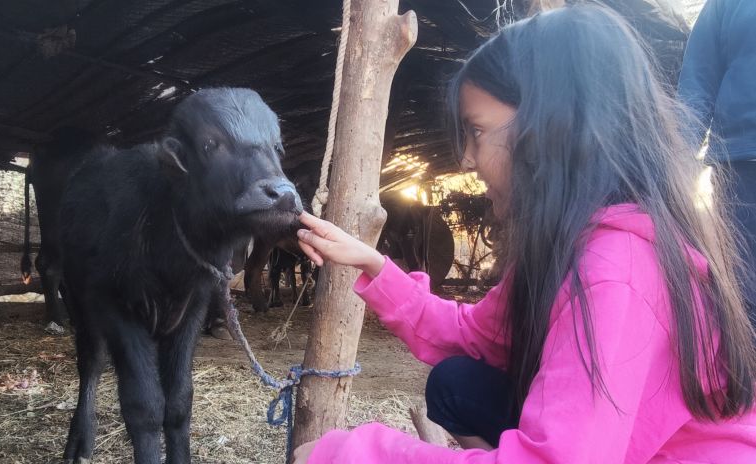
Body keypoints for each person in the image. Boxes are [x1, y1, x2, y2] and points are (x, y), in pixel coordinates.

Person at [291, 4, 756, 464]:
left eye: (477, 131)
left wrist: (349, 453)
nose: (467, 160)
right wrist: (371, 262)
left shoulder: (617, 272)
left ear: (554, 128)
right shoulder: (572, 246)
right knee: (456, 380)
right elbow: (473, 334)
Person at [678, 0, 756, 328]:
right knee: (743, 286)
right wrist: (676, 166)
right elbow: (697, 82)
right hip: (739, 167)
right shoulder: (727, 4)